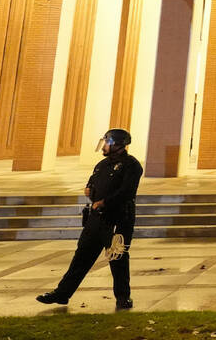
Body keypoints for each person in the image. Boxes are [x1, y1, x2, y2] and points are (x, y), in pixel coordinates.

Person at [37, 128, 143, 309]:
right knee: (81, 258)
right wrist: (91, 193)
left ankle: (123, 297)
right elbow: (91, 185)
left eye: (107, 143)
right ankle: (62, 294)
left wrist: (104, 202)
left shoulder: (131, 165)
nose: (105, 147)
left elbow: (126, 192)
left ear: (118, 145)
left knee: (117, 258)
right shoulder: (102, 165)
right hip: (96, 220)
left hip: (118, 220)